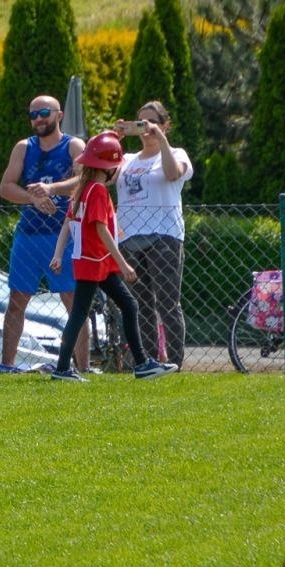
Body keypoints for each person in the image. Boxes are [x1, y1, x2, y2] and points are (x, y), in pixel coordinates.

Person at [47, 131, 177, 382]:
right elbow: (99, 228)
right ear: (107, 168)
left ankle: (142, 364)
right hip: (95, 263)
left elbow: (69, 224)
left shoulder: (84, 189)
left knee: (129, 305)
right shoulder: (96, 190)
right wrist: (123, 263)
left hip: (97, 263)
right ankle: (62, 368)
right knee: (79, 314)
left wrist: (58, 255)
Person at [0, 95, 87, 370]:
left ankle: (82, 368)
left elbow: (85, 179)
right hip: (29, 235)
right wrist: (33, 199)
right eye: (33, 114)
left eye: (44, 113)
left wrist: (52, 189)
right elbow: (6, 187)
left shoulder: (74, 145)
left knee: (73, 302)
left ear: (59, 115)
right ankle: (8, 367)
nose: (38, 119)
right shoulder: (23, 148)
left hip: (64, 235)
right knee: (16, 301)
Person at [114, 101, 193, 368]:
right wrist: (115, 138)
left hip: (164, 236)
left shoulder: (176, 153)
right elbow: (95, 174)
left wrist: (161, 140)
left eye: (153, 123)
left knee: (167, 303)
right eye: (142, 123)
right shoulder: (126, 160)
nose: (146, 129)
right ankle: (147, 362)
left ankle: (175, 363)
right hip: (129, 238)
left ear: (165, 125)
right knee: (140, 305)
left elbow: (173, 174)